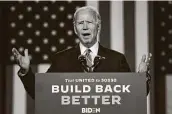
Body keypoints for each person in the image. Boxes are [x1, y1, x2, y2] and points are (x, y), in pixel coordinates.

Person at [12, 6, 151, 99]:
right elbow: (41, 94)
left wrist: (141, 78)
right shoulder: (61, 59)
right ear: (74, 28)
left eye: (89, 22)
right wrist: (26, 71)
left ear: (98, 26)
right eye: (80, 23)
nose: (85, 27)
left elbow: (134, 97)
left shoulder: (116, 59)